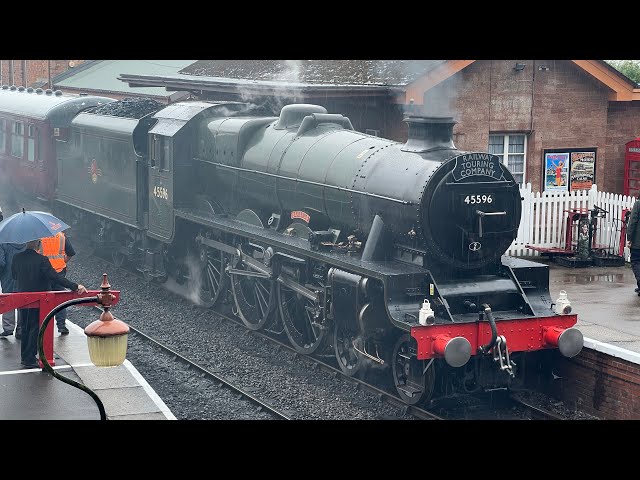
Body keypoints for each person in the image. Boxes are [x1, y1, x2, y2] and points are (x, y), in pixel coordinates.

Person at [11, 238, 87, 369]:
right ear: (38, 244)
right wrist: (75, 286)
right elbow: (55, 277)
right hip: (38, 299)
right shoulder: (42, 260)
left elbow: (14, 276)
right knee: (36, 328)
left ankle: (25, 357)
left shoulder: (17, 257)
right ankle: (30, 359)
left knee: (25, 327)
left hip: (22, 298)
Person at [38, 230, 76, 335]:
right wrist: (62, 261)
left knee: (45, 299)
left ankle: (44, 326)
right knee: (60, 299)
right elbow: (71, 253)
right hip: (59, 272)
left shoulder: (39, 237)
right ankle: (61, 326)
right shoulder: (61, 236)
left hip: (44, 272)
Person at [0, 241, 27, 337]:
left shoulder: (3, 243)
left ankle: (8, 328)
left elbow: (1, 263)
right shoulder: (26, 243)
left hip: (8, 276)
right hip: (23, 277)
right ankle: (20, 329)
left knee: (8, 300)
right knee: (22, 301)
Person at [627, 198, 640, 296]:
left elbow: (633, 222)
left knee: (635, 262)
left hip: (637, 242)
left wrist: (629, 238)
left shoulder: (638, 204)